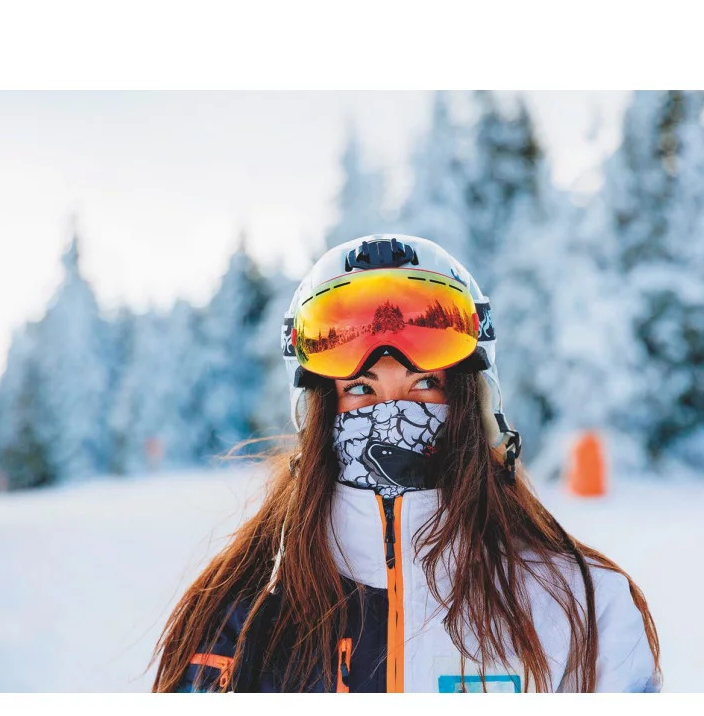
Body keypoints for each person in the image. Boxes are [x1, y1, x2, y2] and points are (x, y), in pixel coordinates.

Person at [151, 234, 662, 693]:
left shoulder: (582, 608)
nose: (393, 415)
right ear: (317, 410)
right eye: (360, 389)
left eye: (425, 384)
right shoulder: (241, 617)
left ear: (473, 403)